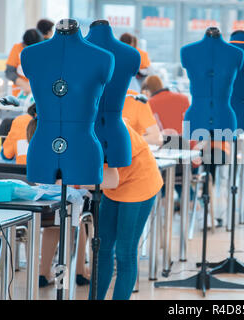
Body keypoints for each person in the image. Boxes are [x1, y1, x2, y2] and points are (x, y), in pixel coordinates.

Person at [83, 120, 163, 300]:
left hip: (139, 182)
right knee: (102, 249)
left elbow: (111, 180)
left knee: (125, 252)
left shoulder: (105, 125)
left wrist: (72, 182)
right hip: (115, 183)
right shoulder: (81, 125)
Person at [26, 116, 92, 287]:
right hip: (67, 201)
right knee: (75, 224)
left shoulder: (34, 135)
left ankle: (43, 272)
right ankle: (74, 276)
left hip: (42, 202)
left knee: (54, 227)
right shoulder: (65, 139)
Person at [5, 28, 43, 96]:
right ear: (25, 44)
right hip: (19, 93)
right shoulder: (17, 49)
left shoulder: (41, 50)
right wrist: (24, 85)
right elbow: (9, 72)